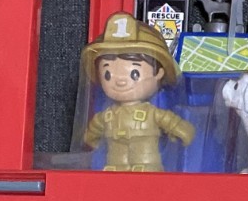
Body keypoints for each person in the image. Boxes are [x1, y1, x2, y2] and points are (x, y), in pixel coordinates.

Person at [80, 12, 195, 171]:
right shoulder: (107, 116)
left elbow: (170, 121)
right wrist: (90, 140)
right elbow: (93, 131)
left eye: (134, 73)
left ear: (159, 73)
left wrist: (183, 131)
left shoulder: (152, 113)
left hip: (147, 168)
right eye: (108, 74)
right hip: (114, 170)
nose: (120, 81)